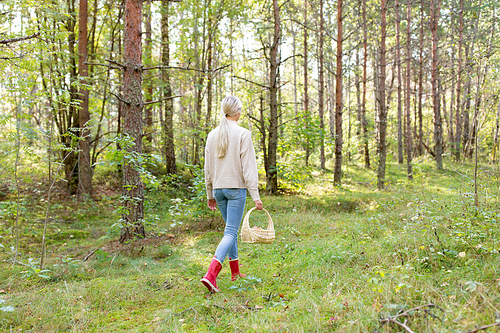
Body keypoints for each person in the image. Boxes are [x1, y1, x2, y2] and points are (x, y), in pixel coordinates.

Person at [201, 96, 263, 293]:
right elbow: (249, 167)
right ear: (237, 112)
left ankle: (235, 272)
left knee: (230, 230)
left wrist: (209, 192)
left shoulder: (212, 135)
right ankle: (211, 274)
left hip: (219, 190)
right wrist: (256, 195)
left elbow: (207, 168)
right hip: (236, 190)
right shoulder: (243, 134)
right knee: (230, 232)